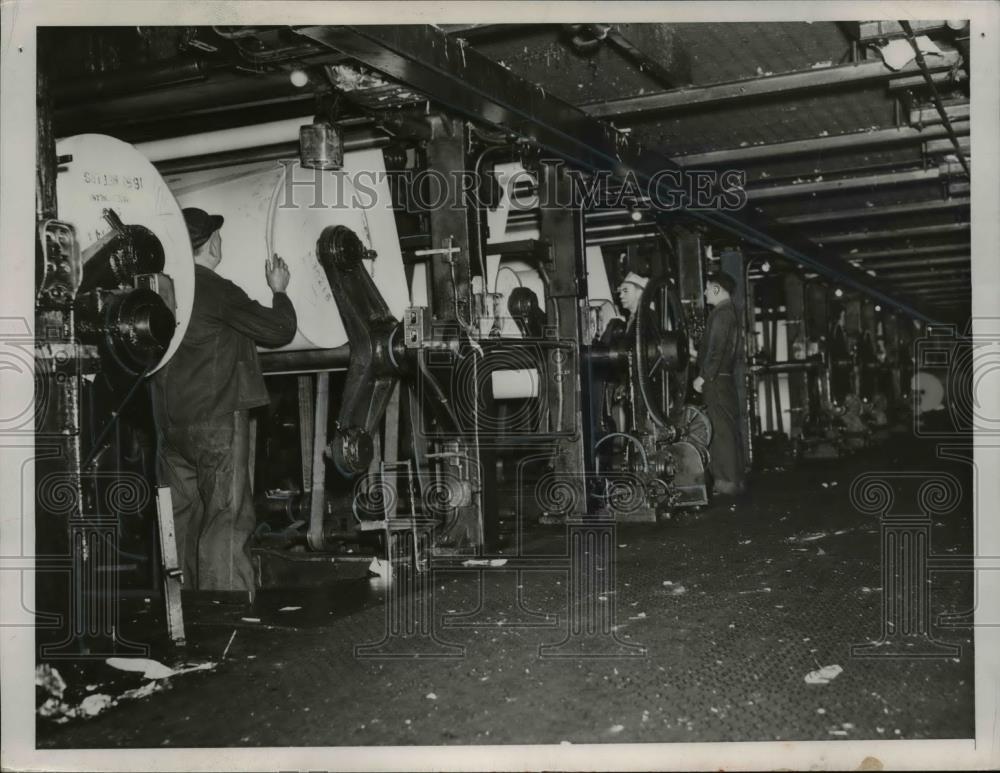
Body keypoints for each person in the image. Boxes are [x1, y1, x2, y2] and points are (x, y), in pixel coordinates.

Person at [151, 208, 297, 601]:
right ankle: (227, 611)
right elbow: (278, 330)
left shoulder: (162, 290)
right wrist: (280, 290)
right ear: (212, 243)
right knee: (226, 517)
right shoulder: (214, 289)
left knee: (182, 518)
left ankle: (182, 608)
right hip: (216, 421)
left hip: (169, 426)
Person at [693, 271, 746, 497]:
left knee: (721, 432)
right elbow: (715, 350)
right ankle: (731, 480)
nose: (705, 292)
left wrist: (703, 377)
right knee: (726, 430)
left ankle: (727, 482)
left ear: (717, 288)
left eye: (707, 288)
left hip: (715, 382)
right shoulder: (727, 313)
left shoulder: (721, 314)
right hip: (722, 380)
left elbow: (716, 352)